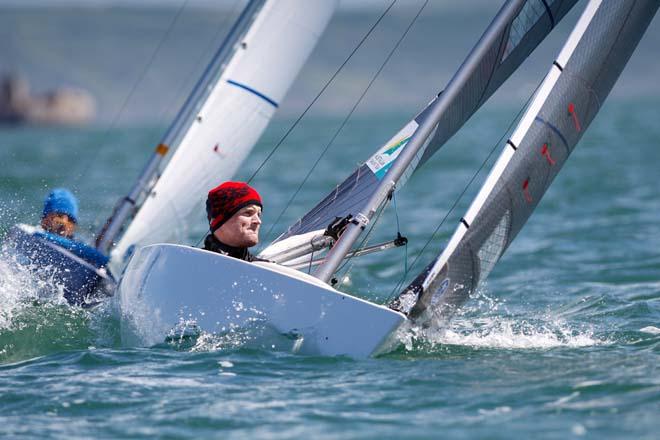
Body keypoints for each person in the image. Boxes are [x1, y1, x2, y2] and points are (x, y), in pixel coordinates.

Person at [203, 181, 265, 262]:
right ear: (221, 219)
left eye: (258, 215)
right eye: (248, 213)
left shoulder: (268, 270)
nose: (258, 221)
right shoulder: (188, 262)